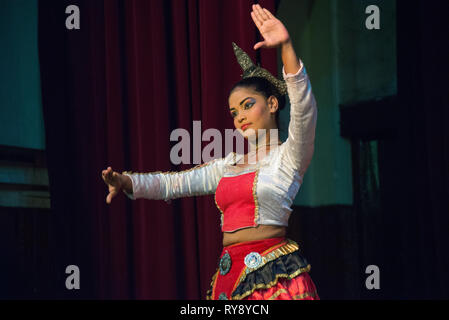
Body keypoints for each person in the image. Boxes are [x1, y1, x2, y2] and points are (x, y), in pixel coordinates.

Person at [102, 4, 319, 300]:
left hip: (273, 278)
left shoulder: (289, 157)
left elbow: (304, 110)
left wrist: (286, 48)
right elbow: (173, 184)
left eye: (247, 105)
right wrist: (126, 182)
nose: (239, 116)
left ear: (271, 104)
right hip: (229, 276)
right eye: (233, 111)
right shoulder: (226, 166)